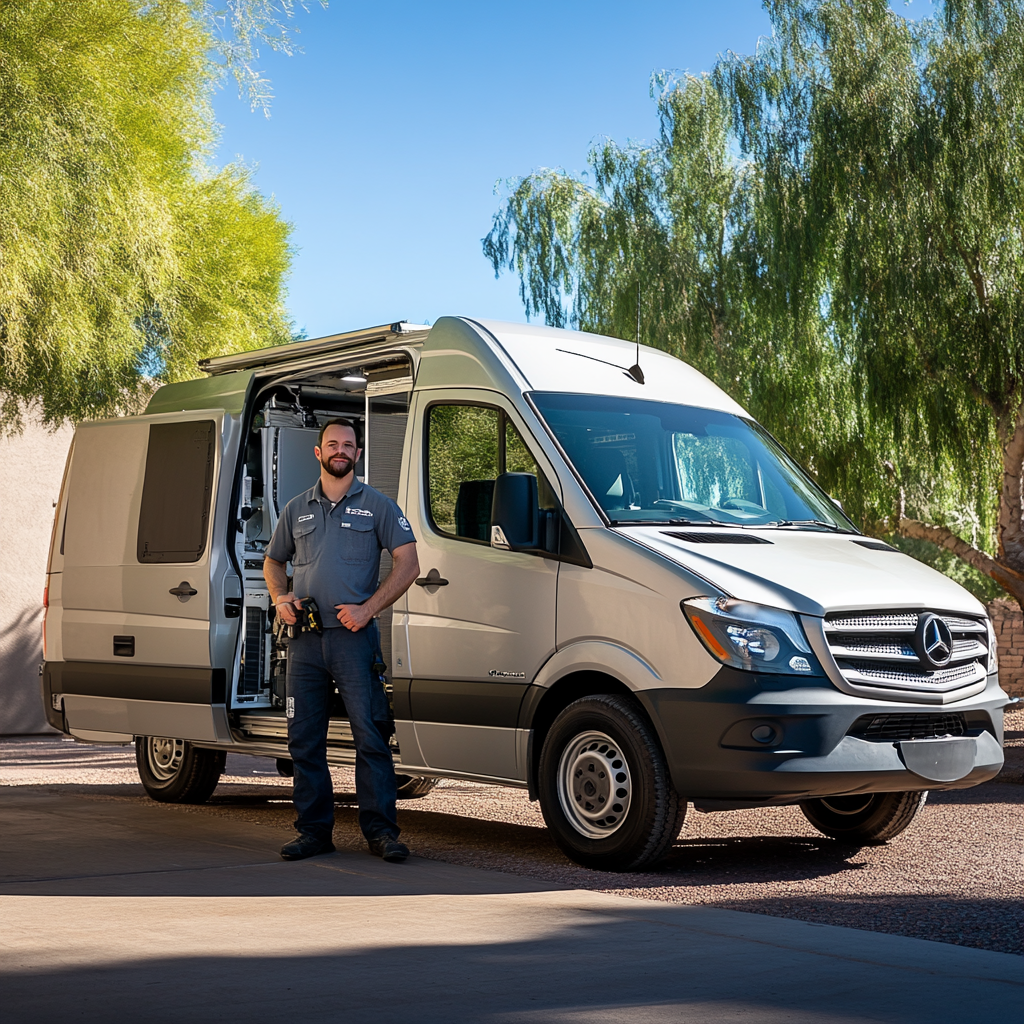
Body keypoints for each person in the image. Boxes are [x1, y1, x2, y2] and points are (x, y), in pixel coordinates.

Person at [264, 418, 420, 863]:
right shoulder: (297, 508)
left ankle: (382, 833)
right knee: (304, 741)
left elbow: (407, 564)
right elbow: (273, 562)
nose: (340, 450)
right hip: (305, 643)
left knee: (370, 736)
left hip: (355, 642)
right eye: (331, 444)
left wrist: (368, 609)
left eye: (348, 445)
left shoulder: (378, 507)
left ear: (357, 454)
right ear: (318, 453)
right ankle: (314, 832)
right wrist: (280, 597)